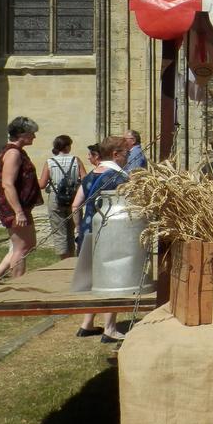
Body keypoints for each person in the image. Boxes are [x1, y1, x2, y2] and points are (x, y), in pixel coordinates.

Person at [72, 135, 131, 342]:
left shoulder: (90, 175)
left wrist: (79, 228)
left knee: (94, 280)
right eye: (126, 153)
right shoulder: (118, 178)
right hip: (109, 233)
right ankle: (110, 328)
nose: (128, 156)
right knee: (112, 280)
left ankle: (86, 324)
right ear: (115, 154)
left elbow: (75, 204)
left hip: (89, 231)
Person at [0, 117, 43, 287]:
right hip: (14, 207)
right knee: (22, 247)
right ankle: (18, 286)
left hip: (19, 206)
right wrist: (18, 212)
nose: (34, 137)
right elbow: (8, 184)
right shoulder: (13, 153)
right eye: (32, 133)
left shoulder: (16, 151)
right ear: (21, 134)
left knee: (25, 245)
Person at [40, 134, 84, 258]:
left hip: (56, 197)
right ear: (68, 146)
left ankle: (64, 258)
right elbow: (85, 179)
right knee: (72, 229)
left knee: (59, 231)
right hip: (74, 197)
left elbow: (42, 184)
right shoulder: (76, 160)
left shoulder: (50, 162)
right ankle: (73, 256)